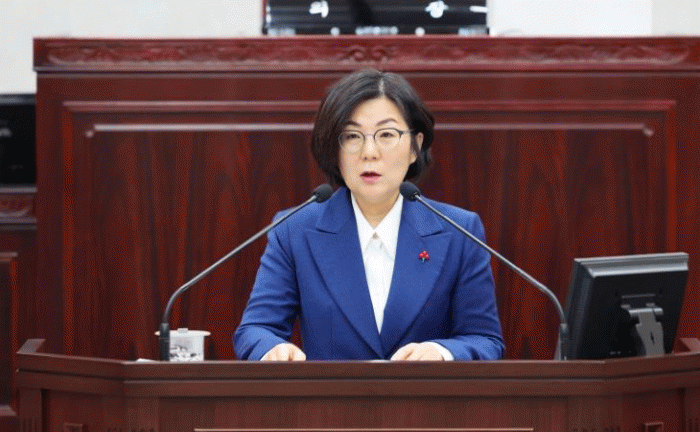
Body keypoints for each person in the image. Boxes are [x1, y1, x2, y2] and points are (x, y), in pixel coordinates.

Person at [234, 69, 504, 361]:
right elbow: (256, 329)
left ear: (415, 146)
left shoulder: (460, 231)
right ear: (334, 149)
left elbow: (484, 339)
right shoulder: (294, 230)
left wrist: (441, 352)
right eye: (352, 136)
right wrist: (273, 350)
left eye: (387, 134)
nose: (369, 152)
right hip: (331, 393)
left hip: (424, 392)